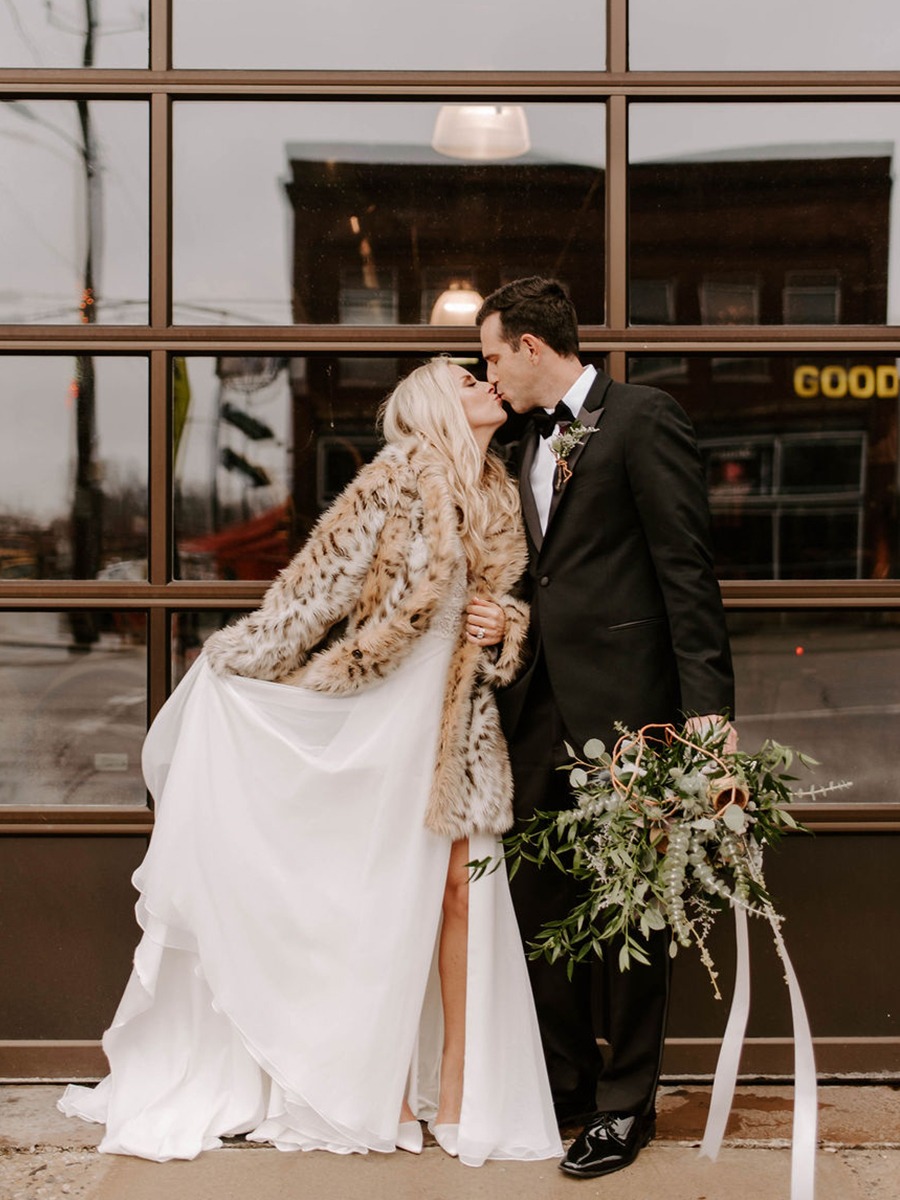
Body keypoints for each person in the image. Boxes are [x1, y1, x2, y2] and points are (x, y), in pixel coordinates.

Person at [59, 358, 562, 1168]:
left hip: (459, 718)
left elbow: (520, 604)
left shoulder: (500, 491)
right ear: (438, 401)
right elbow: (312, 590)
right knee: (390, 900)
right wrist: (233, 660)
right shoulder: (393, 479)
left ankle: (462, 1091)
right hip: (384, 711)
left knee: (462, 897)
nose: (486, 385)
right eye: (468, 378)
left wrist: (503, 626)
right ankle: (383, 1089)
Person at [477, 278, 735, 1179]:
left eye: (493, 354)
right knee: (538, 905)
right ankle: (567, 1088)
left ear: (534, 348)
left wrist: (707, 712)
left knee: (631, 907)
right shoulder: (516, 448)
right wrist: (504, 624)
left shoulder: (641, 418)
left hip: (630, 715)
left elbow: (686, 571)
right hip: (534, 713)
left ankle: (627, 1106)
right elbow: (538, 580)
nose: (490, 372)